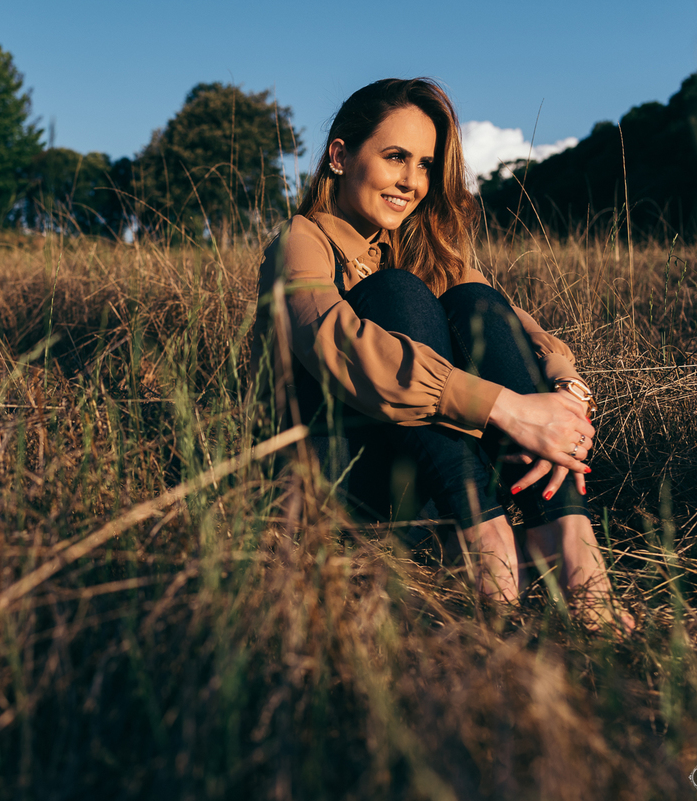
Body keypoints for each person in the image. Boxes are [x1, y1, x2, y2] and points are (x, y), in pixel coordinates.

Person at [251, 77, 633, 632]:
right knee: (395, 294)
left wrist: (564, 395)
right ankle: (487, 538)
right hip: (337, 481)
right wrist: (507, 409)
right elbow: (335, 343)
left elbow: (517, 329)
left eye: (426, 165)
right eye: (395, 158)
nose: (411, 182)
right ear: (339, 156)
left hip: (420, 481)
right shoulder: (302, 240)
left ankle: (569, 539)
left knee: (476, 300)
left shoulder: (416, 247)